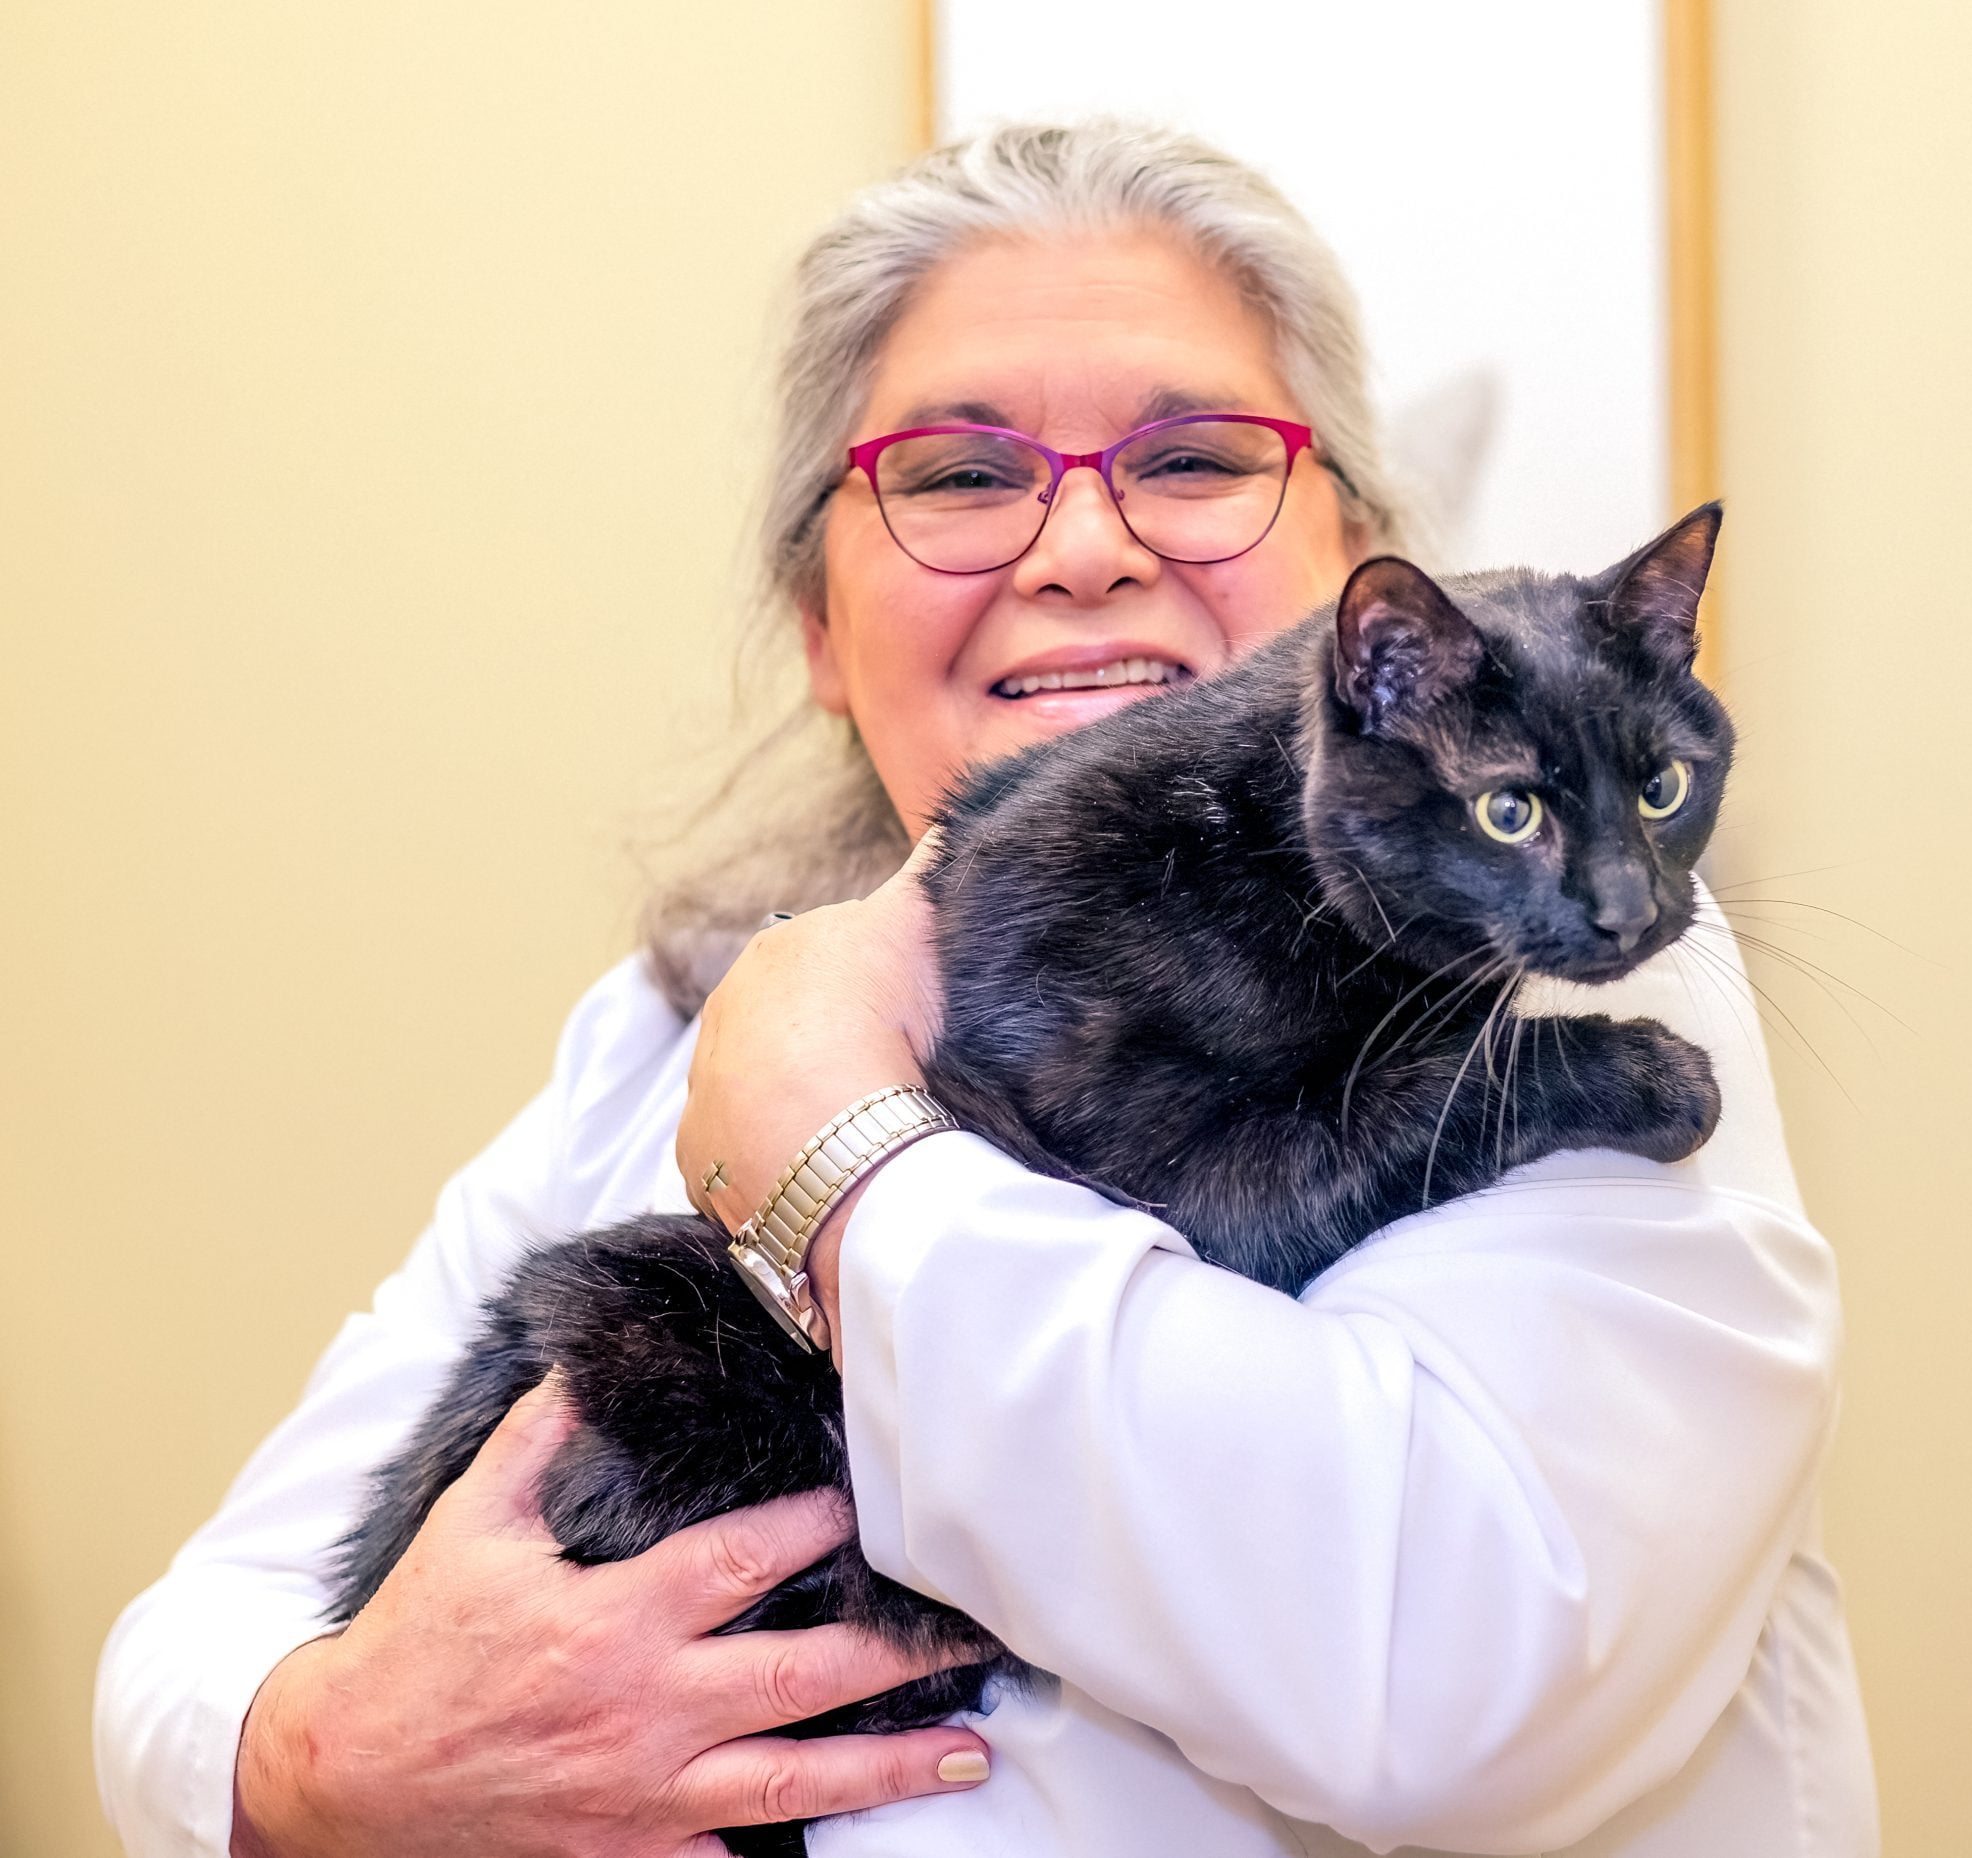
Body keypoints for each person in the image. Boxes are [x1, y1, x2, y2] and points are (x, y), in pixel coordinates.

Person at [96, 121, 1879, 1858]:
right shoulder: (658, 1031)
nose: (1082, 548)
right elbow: (196, 1640)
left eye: (1194, 459)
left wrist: (833, 1145)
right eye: (960, 478)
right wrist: (334, 1758)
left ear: (1366, 583)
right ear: (819, 626)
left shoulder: (1549, 983)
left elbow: (1452, 1685)